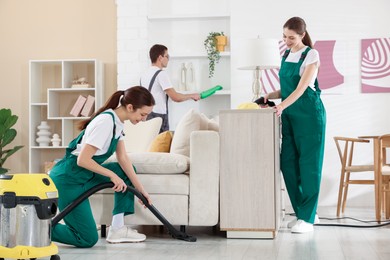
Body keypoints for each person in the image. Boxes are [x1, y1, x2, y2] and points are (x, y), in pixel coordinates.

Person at [50, 86, 155, 247]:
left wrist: (141, 190)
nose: (144, 119)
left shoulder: (118, 122)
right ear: (129, 107)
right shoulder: (105, 122)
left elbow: (123, 158)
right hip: (69, 180)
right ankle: (39, 228)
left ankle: (118, 228)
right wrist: (112, 175)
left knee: (125, 171)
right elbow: (83, 160)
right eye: (142, 114)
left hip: (87, 175)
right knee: (87, 239)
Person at [264, 17, 326, 233]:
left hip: (310, 116)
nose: (287, 41)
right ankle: (304, 212)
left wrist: (281, 107)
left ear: (301, 35)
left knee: (309, 166)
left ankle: (308, 219)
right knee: (288, 163)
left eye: (291, 37)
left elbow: (300, 89)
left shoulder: (312, 55)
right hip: (290, 116)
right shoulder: (286, 55)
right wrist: (269, 96)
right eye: (284, 36)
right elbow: (286, 89)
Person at [140, 44, 200, 133]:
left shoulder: (144, 74)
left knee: (150, 145)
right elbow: (175, 97)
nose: (168, 59)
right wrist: (192, 96)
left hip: (146, 116)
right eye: (167, 56)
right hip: (158, 117)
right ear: (160, 57)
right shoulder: (161, 74)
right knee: (162, 145)